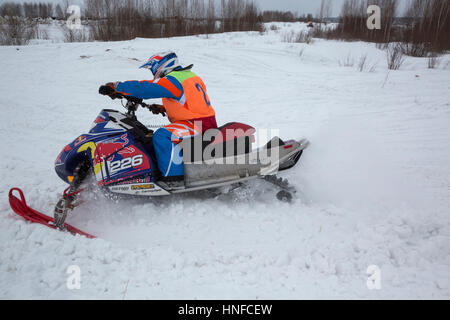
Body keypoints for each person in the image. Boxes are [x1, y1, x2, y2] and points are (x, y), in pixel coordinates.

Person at [99, 52, 217, 186]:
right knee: (165, 134)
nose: (152, 72)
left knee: (162, 136)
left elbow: (146, 88)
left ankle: (172, 180)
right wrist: (165, 108)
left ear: (161, 66)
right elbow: (192, 102)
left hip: (197, 125)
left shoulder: (174, 79)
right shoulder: (188, 76)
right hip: (201, 121)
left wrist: (117, 87)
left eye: (152, 68)